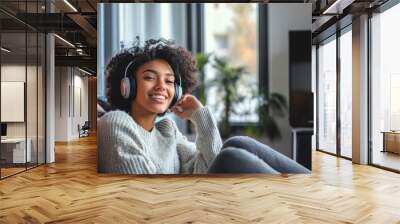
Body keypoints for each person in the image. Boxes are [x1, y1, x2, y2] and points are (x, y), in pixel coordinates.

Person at [97, 38, 310, 175]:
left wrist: (200, 115)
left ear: (177, 92)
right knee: (231, 157)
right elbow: (142, 195)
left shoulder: (167, 130)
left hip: (192, 200)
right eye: (150, 77)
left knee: (238, 142)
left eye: (170, 81)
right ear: (127, 86)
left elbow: (208, 166)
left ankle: (306, 193)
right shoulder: (115, 122)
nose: (162, 86)